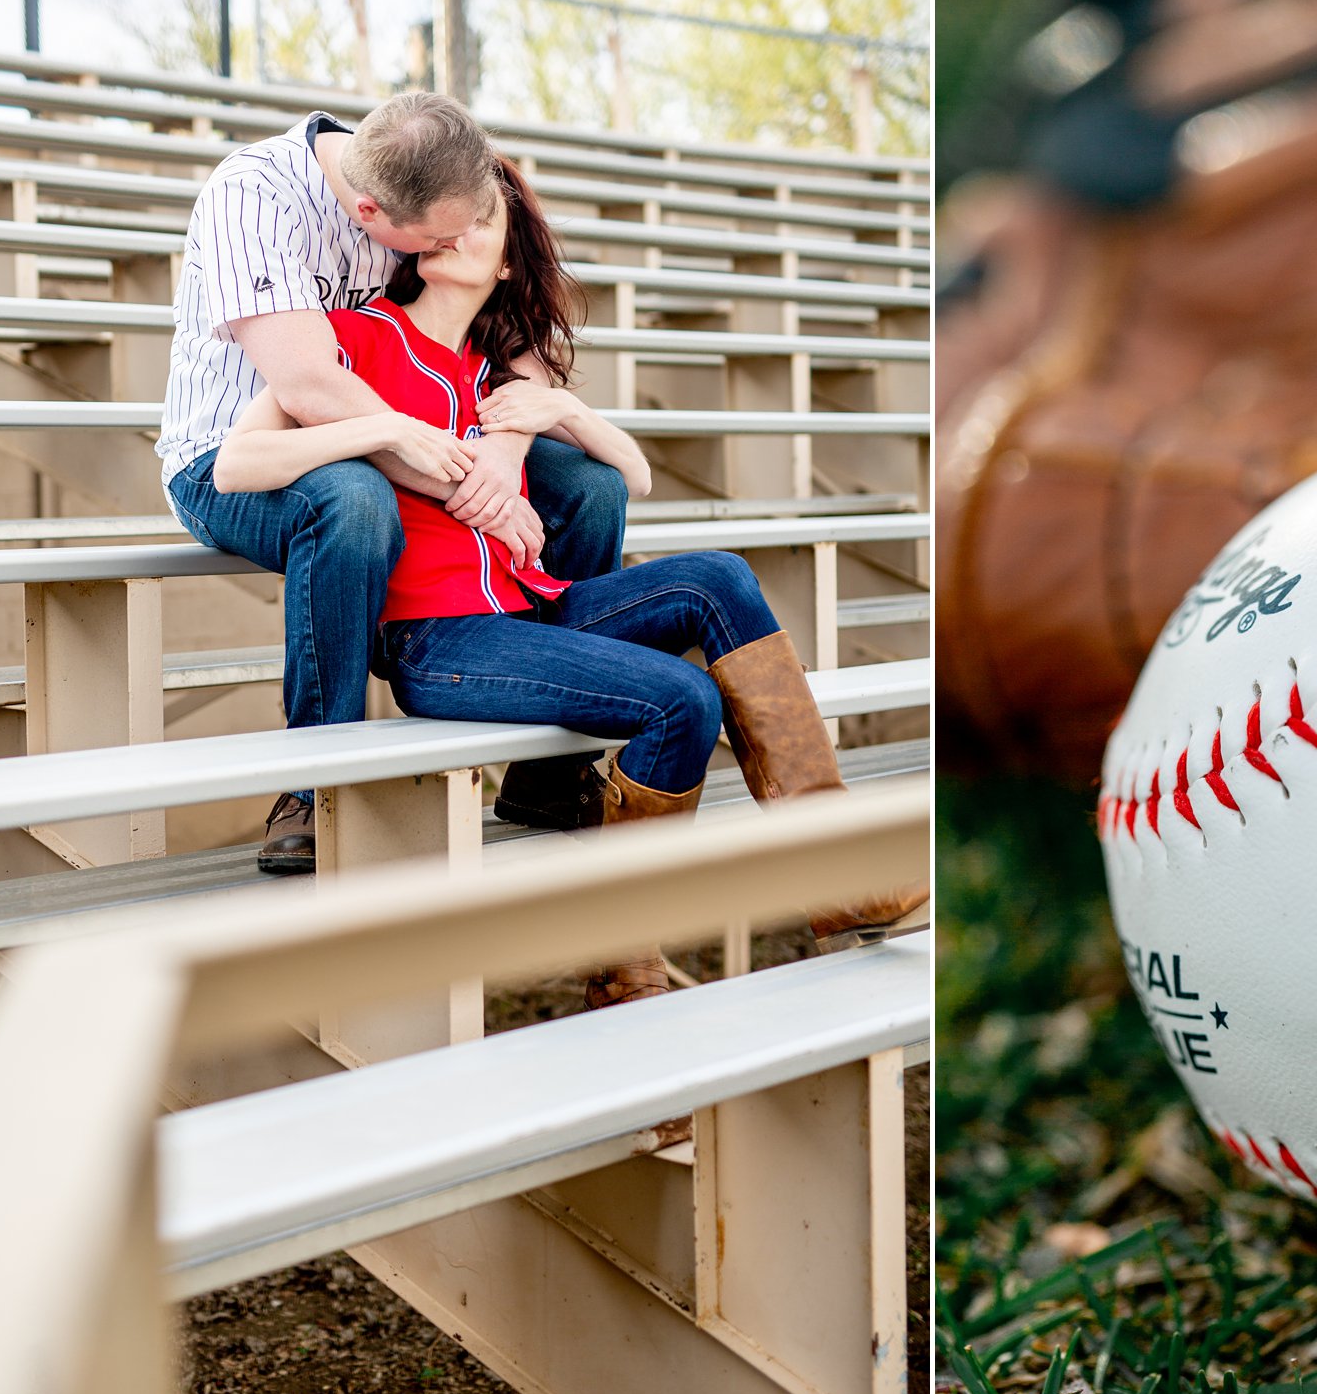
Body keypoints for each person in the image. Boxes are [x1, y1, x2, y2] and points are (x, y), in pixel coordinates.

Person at [210, 154, 925, 1043]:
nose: (459, 231)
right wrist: (381, 428)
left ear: (507, 263)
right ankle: (626, 981)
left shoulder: (496, 375)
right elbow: (238, 467)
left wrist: (561, 417)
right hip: (441, 640)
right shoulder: (351, 339)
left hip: (529, 609)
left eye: (482, 225)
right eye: (452, 220)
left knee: (722, 578)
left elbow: (633, 474)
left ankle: (835, 871)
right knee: (681, 702)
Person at [157, 93, 626, 874]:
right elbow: (310, 389)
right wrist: (467, 490)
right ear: (369, 215)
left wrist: (506, 452)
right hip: (243, 457)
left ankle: (548, 772)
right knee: (353, 498)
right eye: (440, 240)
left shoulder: (442, 171)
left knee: (588, 486)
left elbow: (514, 324)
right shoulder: (254, 197)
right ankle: (313, 784)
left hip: (434, 434)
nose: (459, 244)